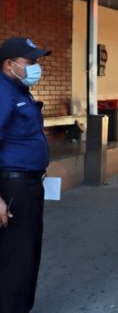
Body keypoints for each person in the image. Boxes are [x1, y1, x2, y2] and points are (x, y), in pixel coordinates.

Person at [0, 36, 51, 313]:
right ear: (9, 65)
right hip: (13, 186)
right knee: (17, 256)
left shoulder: (19, 91)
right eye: (30, 61)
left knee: (26, 252)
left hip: (27, 184)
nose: (36, 66)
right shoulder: (3, 92)